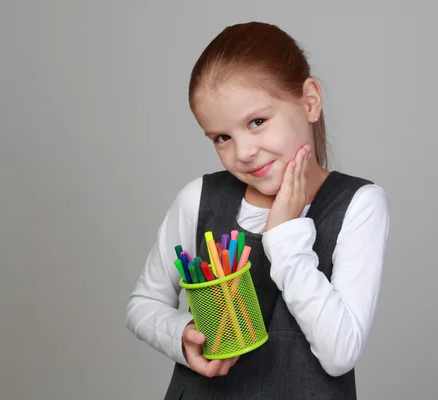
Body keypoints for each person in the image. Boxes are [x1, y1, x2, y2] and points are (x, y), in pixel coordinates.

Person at [126, 21, 390, 399]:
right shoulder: (198, 198)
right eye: (222, 138)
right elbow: (143, 304)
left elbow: (339, 353)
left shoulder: (359, 204)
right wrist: (182, 336)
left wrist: (284, 237)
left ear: (310, 101)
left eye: (257, 122)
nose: (244, 152)